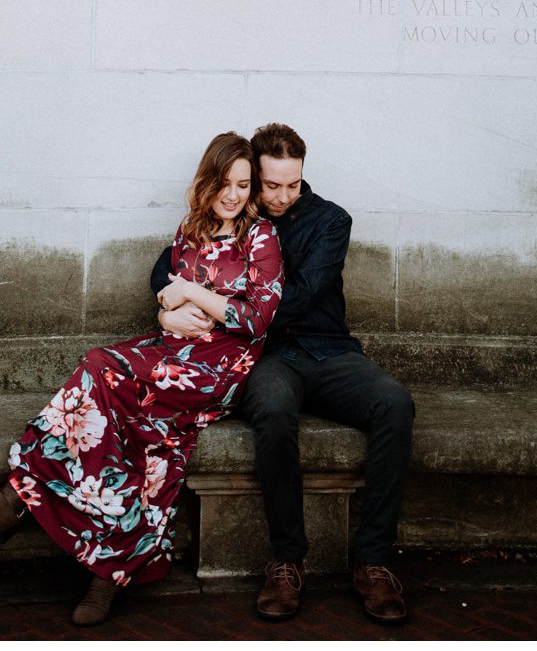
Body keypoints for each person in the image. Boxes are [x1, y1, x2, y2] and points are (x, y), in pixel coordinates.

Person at [0, 131, 283, 627]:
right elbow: (168, 299)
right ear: (208, 180)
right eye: (224, 182)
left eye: (243, 184)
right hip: (172, 350)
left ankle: (19, 496)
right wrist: (166, 316)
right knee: (142, 438)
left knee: (100, 368)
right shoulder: (190, 230)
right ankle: (103, 575)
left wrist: (190, 294)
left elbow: (255, 318)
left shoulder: (260, 238)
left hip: (216, 368)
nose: (234, 195)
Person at [150, 121, 414, 622]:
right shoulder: (239, 214)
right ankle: (288, 560)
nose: (283, 196)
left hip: (328, 350)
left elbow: (295, 298)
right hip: (268, 357)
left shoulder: (330, 220)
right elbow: (166, 267)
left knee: (395, 403)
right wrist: (168, 306)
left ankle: (374, 561)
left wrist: (211, 298)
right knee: (271, 409)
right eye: (271, 185)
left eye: (292, 184)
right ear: (254, 176)